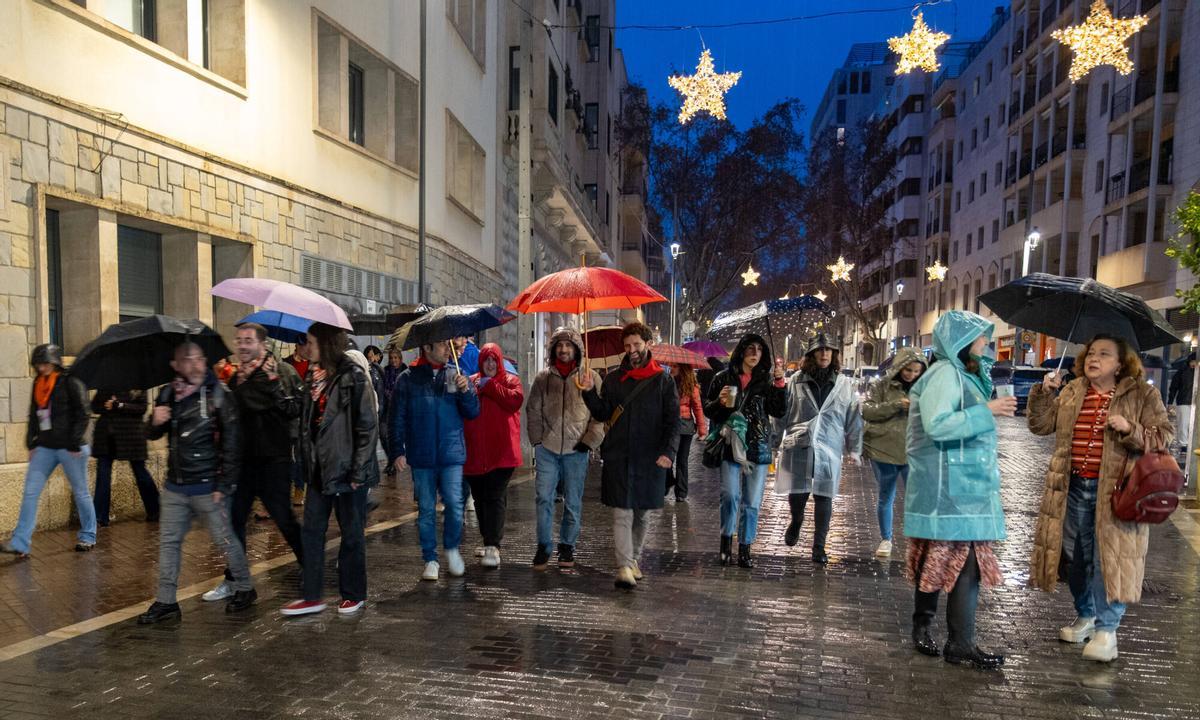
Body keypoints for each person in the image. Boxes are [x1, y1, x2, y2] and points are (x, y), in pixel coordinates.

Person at [1026, 334, 1172, 662]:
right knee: (1076, 559)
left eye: (1104, 354)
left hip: (1118, 492)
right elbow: (1040, 426)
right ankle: (1086, 615)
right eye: (1091, 353)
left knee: (1110, 560)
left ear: (1120, 364)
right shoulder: (1073, 390)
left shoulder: (1142, 394)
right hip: (1073, 488)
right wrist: (1044, 393)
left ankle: (1108, 630)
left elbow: (1164, 436)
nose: (1094, 358)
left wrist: (1131, 429)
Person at [904, 310, 1013, 670]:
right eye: (981, 337)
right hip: (948, 490)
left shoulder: (961, 374)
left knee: (963, 564)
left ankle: (958, 640)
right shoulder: (944, 374)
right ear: (962, 341)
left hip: (963, 490)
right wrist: (987, 411)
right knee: (944, 562)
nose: (986, 343)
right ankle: (947, 637)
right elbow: (937, 425)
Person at [137, 342, 254, 624]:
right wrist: (154, 421)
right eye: (187, 359)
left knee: (224, 540)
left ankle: (245, 587)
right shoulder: (169, 393)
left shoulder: (219, 394)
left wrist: (224, 485)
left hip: (208, 485)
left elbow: (233, 442)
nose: (196, 364)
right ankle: (166, 601)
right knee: (169, 543)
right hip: (175, 486)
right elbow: (152, 434)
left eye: (199, 358)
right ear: (176, 365)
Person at [281, 323, 378, 616]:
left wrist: (358, 471)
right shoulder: (313, 375)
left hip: (347, 470)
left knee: (351, 533)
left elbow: (367, 426)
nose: (305, 347)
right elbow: (305, 418)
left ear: (326, 344)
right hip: (318, 470)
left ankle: (353, 593)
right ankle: (312, 595)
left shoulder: (352, 376)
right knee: (312, 531)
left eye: (310, 342)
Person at [202, 322, 304, 603]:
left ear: (262, 344)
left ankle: (310, 564)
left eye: (248, 340)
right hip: (244, 461)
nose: (242, 345)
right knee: (235, 521)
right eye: (239, 340)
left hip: (273, 460)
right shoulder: (238, 376)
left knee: (284, 519)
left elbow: (292, 408)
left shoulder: (278, 372)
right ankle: (235, 580)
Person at [581, 322, 679, 589]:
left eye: (636, 344)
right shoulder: (614, 379)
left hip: (650, 457)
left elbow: (672, 422)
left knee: (642, 513)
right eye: (627, 346)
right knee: (622, 512)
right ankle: (623, 565)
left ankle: (634, 558)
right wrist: (589, 392)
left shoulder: (663, 380)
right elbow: (602, 413)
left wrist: (668, 452)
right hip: (619, 455)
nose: (632, 350)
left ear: (648, 344)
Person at [388, 338, 480, 581]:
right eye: (442, 345)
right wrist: (397, 450)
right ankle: (430, 558)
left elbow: (473, 412)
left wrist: (467, 391)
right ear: (427, 347)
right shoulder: (407, 379)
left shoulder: (457, 374)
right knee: (426, 510)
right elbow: (396, 417)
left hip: (451, 454)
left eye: (449, 345)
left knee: (455, 505)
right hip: (422, 455)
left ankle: (452, 549)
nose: (448, 349)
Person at [774, 333, 862, 564]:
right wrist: (773, 442)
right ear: (812, 354)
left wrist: (854, 448)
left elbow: (853, 417)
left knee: (825, 495)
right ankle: (796, 520)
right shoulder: (796, 380)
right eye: (820, 350)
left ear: (834, 354)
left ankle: (819, 547)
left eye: (828, 350)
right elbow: (782, 413)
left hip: (829, 447)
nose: (824, 353)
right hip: (800, 443)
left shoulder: (843, 384)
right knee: (798, 492)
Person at [2, 344, 96, 557]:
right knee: (30, 492)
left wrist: (74, 441)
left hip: (71, 447)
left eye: (45, 364)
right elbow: (34, 413)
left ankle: (88, 536)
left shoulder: (71, 381)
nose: (41, 368)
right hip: (45, 446)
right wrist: (31, 442)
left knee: (81, 492)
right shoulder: (38, 383)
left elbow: (84, 413)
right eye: (38, 365)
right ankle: (20, 543)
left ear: (55, 362)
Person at [704, 334, 787, 568]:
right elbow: (708, 409)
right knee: (730, 495)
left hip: (757, 443)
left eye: (759, 349)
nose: (755, 353)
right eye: (750, 348)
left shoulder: (767, 381)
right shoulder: (722, 378)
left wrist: (780, 385)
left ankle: (745, 547)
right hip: (730, 443)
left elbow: (779, 411)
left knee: (752, 501)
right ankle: (725, 543)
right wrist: (719, 403)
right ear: (741, 351)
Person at [526, 327, 605, 570]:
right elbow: (533, 410)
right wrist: (537, 441)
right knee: (543, 498)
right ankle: (543, 546)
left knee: (573, 500)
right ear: (553, 349)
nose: (563, 349)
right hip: (547, 449)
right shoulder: (543, 378)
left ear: (577, 349)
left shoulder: (590, 377)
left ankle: (567, 545)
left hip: (577, 449)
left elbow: (599, 416)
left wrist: (589, 441)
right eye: (559, 345)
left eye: (568, 345)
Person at [861, 347, 927, 558]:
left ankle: (918, 541)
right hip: (884, 449)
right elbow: (868, 411)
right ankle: (886, 539)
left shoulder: (926, 387)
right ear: (899, 366)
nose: (912, 375)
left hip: (914, 450)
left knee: (917, 498)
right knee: (886, 495)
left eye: (916, 371)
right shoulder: (881, 385)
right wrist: (897, 405)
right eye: (908, 370)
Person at [463, 343, 524, 568]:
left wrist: (490, 386)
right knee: (480, 498)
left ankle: (493, 545)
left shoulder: (511, 381)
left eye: (493, 360)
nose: (490, 364)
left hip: (502, 453)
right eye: (486, 360)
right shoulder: (471, 382)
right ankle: (488, 538)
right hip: (475, 453)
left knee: (495, 495)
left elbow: (514, 401)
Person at [90, 389, 160, 526]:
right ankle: (99, 516)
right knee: (103, 474)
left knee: (140, 472)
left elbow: (142, 408)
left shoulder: (137, 384)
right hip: (107, 436)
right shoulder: (106, 384)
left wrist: (120, 405)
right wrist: (107, 405)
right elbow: (94, 406)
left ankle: (155, 510)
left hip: (130, 434)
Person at [667, 363, 708, 503]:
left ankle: (681, 492)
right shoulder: (668, 383)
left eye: (674, 366)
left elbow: (698, 408)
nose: (671, 368)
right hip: (673, 426)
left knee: (681, 459)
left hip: (683, 427)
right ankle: (671, 484)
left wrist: (702, 430)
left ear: (682, 369)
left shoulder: (690, 387)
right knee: (669, 457)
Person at [283, 336, 313, 505]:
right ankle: (285, 488)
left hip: (305, 417)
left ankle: (299, 489)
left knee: (300, 456)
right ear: (297, 345)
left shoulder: (313, 366)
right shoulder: (286, 363)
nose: (307, 349)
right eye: (304, 345)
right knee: (287, 456)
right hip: (289, 416)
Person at [381, 347, 406, 475]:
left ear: (400, 359)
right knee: (383, 434)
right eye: (391, 358)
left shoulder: (405, 372)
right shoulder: (385, 371)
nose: (393, 360)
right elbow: (382, 387)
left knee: (397, 435)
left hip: (400, 408)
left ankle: (393, 462)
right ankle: (392, 460)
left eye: (395, 358)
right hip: (387, 408)